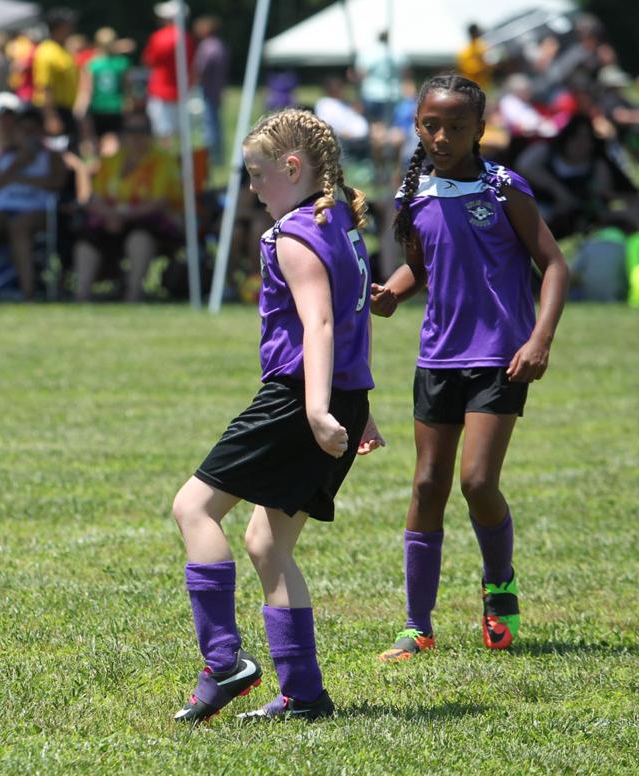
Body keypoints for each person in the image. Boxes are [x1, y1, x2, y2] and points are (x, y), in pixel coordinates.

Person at [170, 108, 382, 724]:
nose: (252, 188)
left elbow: (321, 323)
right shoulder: (339, 222)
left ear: (292, 168)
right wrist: (357, 406)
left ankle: (222, 662)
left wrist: (316, 409)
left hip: (297, 399)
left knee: (193, 508)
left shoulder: (295, 233)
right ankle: (305, 695)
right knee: (266, 544)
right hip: (338, 396)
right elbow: (354, 321)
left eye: (258, 174)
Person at [372, 75, 569, 662]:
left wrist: (539, 340)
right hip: (437, 358)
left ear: (479, 129)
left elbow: (554, 265)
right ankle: (417, 626)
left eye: (456, 127)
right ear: (417, 125)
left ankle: (499, 585)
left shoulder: (503, 188)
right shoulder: (415, 193)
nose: (442, 137)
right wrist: (393, 293)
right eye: (431, 125)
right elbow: (420, 265)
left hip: (499, 358)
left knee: (478, 481)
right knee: (426, 484)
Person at [73, 112, 181, 302]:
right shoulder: (110, 161)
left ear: (150, 134)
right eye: (131, 130)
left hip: (149, 222)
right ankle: (82, 295)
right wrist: (110, 216)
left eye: (142, 131)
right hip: (110, 221)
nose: (136, 136)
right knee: (87, 241)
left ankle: (133, 294)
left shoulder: (163, 161)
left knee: (139, 238)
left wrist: (122, 216)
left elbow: (160, 201)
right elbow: (95, 197)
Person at [0, 107, 67, 300]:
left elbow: (57, 183)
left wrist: (21, 179)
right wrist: (18, 164)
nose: (27, 135)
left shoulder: (51, 155)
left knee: (18, 226)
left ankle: (28, 293)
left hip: (36, 210)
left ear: (40, 131)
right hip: (3, 209)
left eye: (32, 130)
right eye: (23, 129)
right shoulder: (4, 156)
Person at [142, 1, 195, 140]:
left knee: (163, 134)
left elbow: (149, 61)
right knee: (181, 135)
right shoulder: (187, 38)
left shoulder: (159, 37)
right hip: (181, 91)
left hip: (160, 91)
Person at [74, 27, 130, 156]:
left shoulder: (94, 64)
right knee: (108, 144)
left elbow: (126, 88)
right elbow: (87, 89)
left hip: (111, 107)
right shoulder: (117, 63)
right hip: (103, 108)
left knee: (106, 144)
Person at [31, 8, 80, 143]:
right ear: (59, 27)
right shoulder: (47, 52)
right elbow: (44, 87)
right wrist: (50, 118)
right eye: (68, 26)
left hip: (66, 110)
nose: (71, 29)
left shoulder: (62, 49)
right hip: (55, 110)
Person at [192, 16, 228, 167]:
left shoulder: (207, 46)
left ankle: (211, 157)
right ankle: (218, 157)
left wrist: (195, 79)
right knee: (216, 125)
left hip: (208, 90)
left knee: (209, 126)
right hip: (217, 90)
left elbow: (201, 68)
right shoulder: (220, 45)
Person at [455, 24, 492, 90]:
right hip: (474, 85)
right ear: (476, 32)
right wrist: (482, 66)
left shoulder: (465, 49)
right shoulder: (480, 47)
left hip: (480, 85)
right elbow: (468, 68)